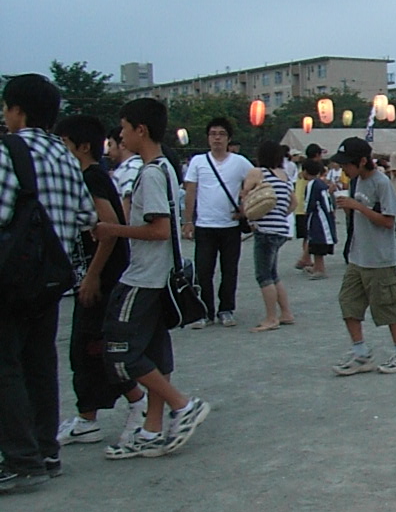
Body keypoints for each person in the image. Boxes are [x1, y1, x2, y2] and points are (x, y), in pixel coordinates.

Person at [96, 98, 211, 459]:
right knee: (153, 354)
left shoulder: (149, 174)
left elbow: (159, 230)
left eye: (124, 128)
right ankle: (150, 429)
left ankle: (182, 405)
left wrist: (112, 229)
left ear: (140, 130)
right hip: (160, 277)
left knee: (121, 352)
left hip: (144, 277)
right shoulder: (164, 168)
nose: (120, 136)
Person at [0, 74, 97, 492]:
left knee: (6, 366)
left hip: (11, 276)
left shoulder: (9, 150)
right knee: (41, 363)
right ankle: (46, 451)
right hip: (51, 277)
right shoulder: (64, 155)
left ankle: (21, 461)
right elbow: (86, 216)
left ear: (18, 110)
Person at [53, 114, 147, 449]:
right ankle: (87, 418)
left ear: (82, 147)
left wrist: (93, 276)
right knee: (85, 351)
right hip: (93, 277)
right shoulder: (87, 177)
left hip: (103, 280)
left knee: (99, 349)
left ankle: (138, 402)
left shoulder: (92, 178)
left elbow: (108, 228)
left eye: (63, 143)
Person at [330, 137, 396, 375]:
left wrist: (358, 207)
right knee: (348, 303)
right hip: (357, 256)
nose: (344, 169)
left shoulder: (381, 183)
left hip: (380, 258)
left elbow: (389, 221)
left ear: (362, 161)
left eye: (347, 164)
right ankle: (360, 353)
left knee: (387, 307)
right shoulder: (355, 182)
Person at [181, 117, 253, 327]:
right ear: (207, 138)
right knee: (204, 271)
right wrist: (188, 221)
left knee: (229, 270)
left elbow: (257, 180)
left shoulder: (239, 162)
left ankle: (226, 309)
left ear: (229, 138)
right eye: (213, 134)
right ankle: (204, 311)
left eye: (221, 134)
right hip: (205, 225)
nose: (217, 138)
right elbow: (190, 191)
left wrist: (245, 205)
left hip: (230, 226)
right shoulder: (198, 161)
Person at [241, 141, 296, 333]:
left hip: (265, 229)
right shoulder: (284, 175)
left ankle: (271, 318)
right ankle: (286, 313)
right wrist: (280, 214)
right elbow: (293, 203)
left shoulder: (258, 172)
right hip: (280, 229)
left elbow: (245, 194)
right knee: (273, 274)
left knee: (263, 275)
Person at [301, 158, 335, 279]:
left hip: (318, 217)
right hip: (325, 215)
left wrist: (305, 212)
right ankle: (316, 267)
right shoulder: (321, 183)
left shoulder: (312, 184)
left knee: (317, 242)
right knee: (317, 241)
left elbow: (309, 202)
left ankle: (320, 269)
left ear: (305, 171)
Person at [107, 126, 143, 220]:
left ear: (122, 145)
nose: (108, 151)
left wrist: (122, 226)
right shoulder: (130, 167)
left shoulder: (131, 168)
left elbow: (127, 200)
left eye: (110, 145)